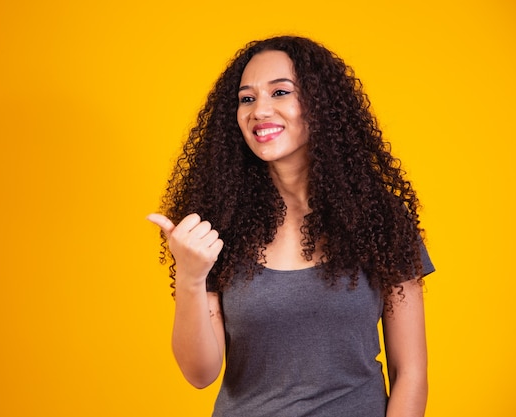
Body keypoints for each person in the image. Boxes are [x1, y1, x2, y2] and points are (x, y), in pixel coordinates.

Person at [147, 35, 434, 417]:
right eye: (246, 99)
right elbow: (200, 373)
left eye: (280, 92)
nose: (259, 110)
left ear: (320, 105)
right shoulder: (217, 223)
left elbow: (410, 373)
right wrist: (190, 277)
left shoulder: (379, 219)